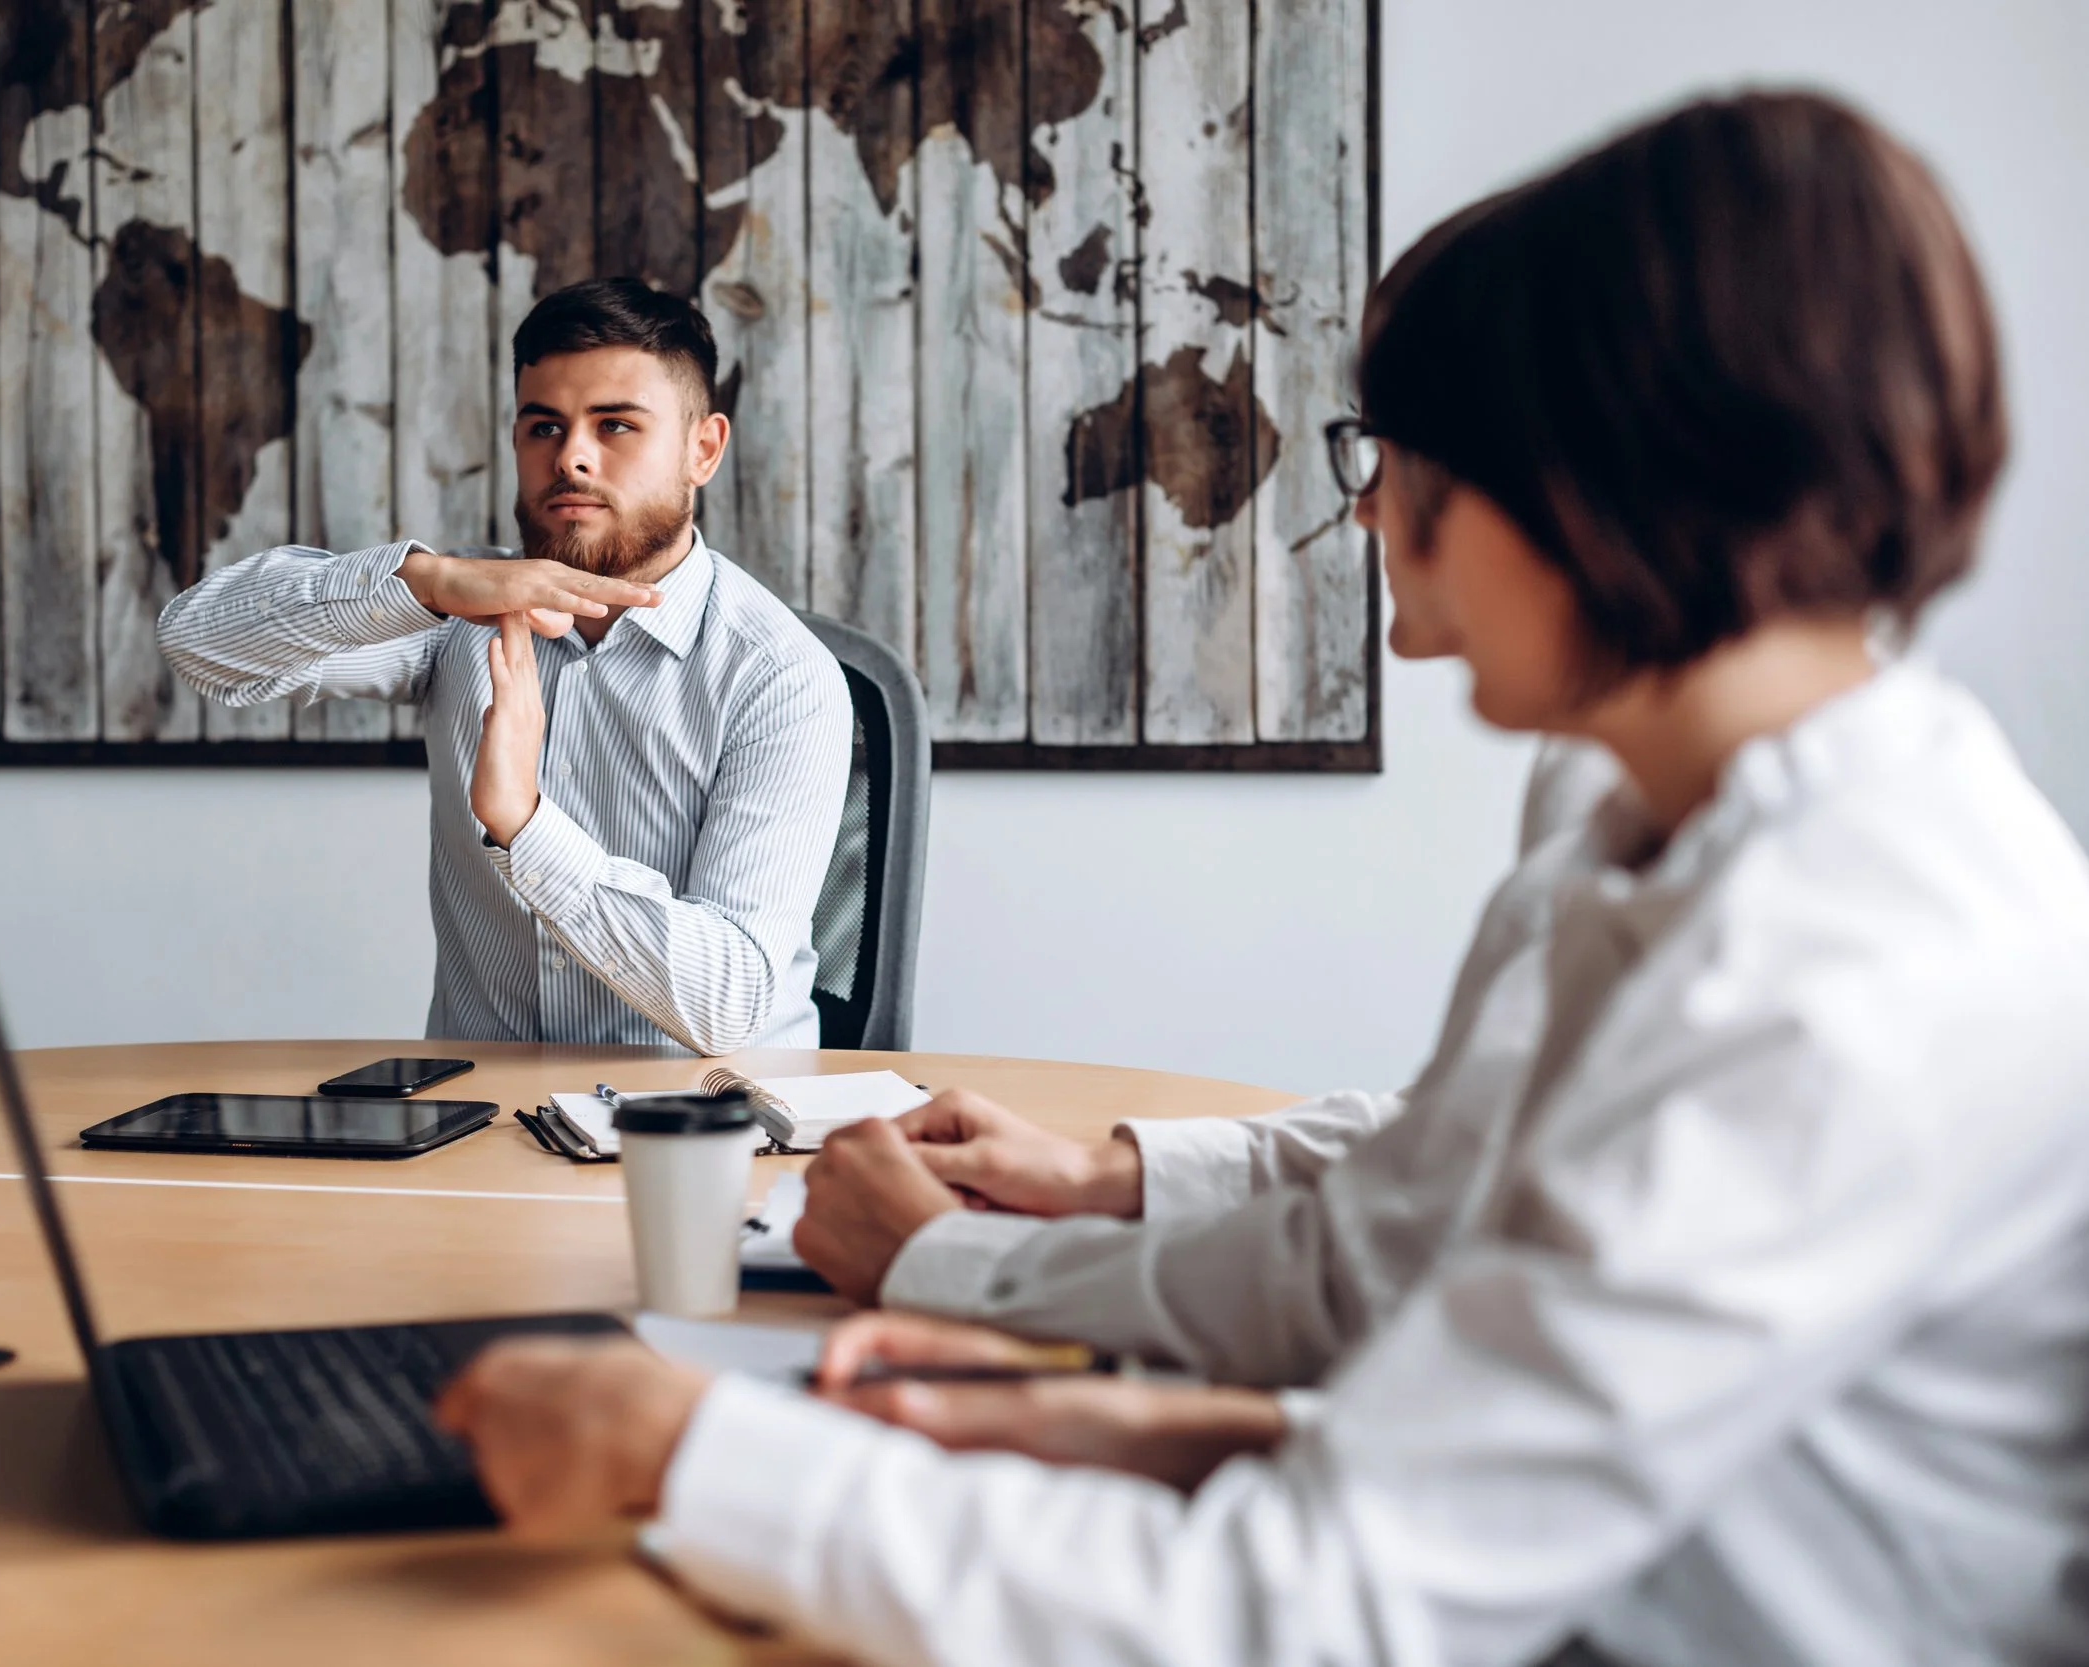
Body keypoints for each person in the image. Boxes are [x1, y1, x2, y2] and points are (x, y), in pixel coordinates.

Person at [435, 92, 2089, 1665]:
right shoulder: (1663, 821)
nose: (1372, 518)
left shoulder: (1836, 973)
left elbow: (1310, 1608)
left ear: (1596, 473)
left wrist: (696, 1452)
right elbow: (1452, 1253)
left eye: (1405, 458)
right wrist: (1125, 1412)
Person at [158, 280, 852, 1056]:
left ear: (704, 449)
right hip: (480, 1107)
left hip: (699, 1111)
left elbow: (731, 1001)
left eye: (616, 425)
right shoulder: (457, 611)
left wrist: (525, 825)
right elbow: (196, 643)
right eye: (543, 426)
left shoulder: (782, 677)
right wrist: (427, 581)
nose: (571, 456)